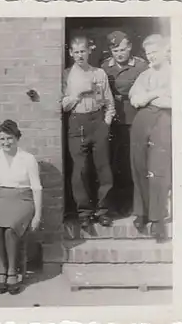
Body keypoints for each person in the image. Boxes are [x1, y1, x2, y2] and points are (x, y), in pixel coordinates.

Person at [0, 120, 42, 295]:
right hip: (0, 199)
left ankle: (13, 271)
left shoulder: (28, 159)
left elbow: (36, 188)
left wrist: (37, 216)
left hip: (23, 200)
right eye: (2, 139)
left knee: (10, 229)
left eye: (9, 138)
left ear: (17, 138)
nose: (6, 142)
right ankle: (2, 270)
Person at [61, 35, 116, 228]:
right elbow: (64, 105)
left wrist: (106, 123)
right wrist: (77, 95)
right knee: (81, 169)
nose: (79, 55)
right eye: (75, 52)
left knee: (103, 168)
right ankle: (84, 212)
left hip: (97, 120)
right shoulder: (67, 74)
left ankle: (103, 211)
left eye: (82, 51)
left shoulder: (99, 73)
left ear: (89, 51)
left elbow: (109, 102)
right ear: (70, 53)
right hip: (78, 122)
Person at [128, 34, 172, 242]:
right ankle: (142, 212)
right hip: (142, 121)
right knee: (139, 167)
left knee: (158, 169)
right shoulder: (144, 75)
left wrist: (149, 96)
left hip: (164, 121)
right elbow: (135, 99)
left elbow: (174, 101)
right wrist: (156, 94)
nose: (152, 56)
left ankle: (157, 219)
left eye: (155, 52)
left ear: (165, 50)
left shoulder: (176, 72)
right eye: (148, 53)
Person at [101, 31, 149, 214]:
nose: (119, 53)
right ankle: (117, 204)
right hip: (114, 119)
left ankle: (134, 204)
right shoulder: (105, 67)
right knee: (115, 162)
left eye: (122, 49)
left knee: (134, 162)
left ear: (129, 47)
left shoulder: (140, 66)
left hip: (135, 118)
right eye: (115, 50)